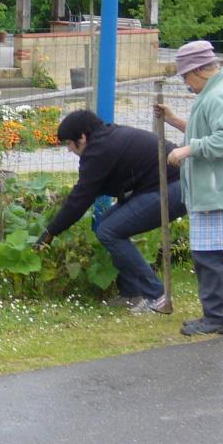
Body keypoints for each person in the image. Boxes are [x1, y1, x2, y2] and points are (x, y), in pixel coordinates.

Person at [154, 40, 223, 337]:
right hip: (217, 187)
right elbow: (208, 129)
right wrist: (174, 119)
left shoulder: (219, 95)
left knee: (208, 256)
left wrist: (186, 150)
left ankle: (216, 317)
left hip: (217, 188)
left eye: (186, 76)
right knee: (212, 256)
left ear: (199, 70)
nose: (186, 84)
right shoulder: (218, 90)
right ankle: (220, 314)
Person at [34, 109, 186, 313]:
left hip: (174, 188)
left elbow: (81, 199)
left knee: (109, 230)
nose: (69, 149)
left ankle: (157, 296)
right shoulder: (107, 137)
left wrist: (50, 232)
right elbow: (91, 188)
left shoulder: (98, 151)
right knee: (107, 224)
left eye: (69, 143)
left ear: (82, 137)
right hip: (163, 184)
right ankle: (132, 293)